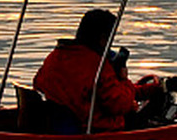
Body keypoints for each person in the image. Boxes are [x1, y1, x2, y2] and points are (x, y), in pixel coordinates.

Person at [32, 9, 166, 133]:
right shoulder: (97, 65)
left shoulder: (55, 56)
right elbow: (118, 104)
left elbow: (38, 83)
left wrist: (144, 90)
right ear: (102, 38)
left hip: (62, 124)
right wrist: (124, 79)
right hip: (97, 129)